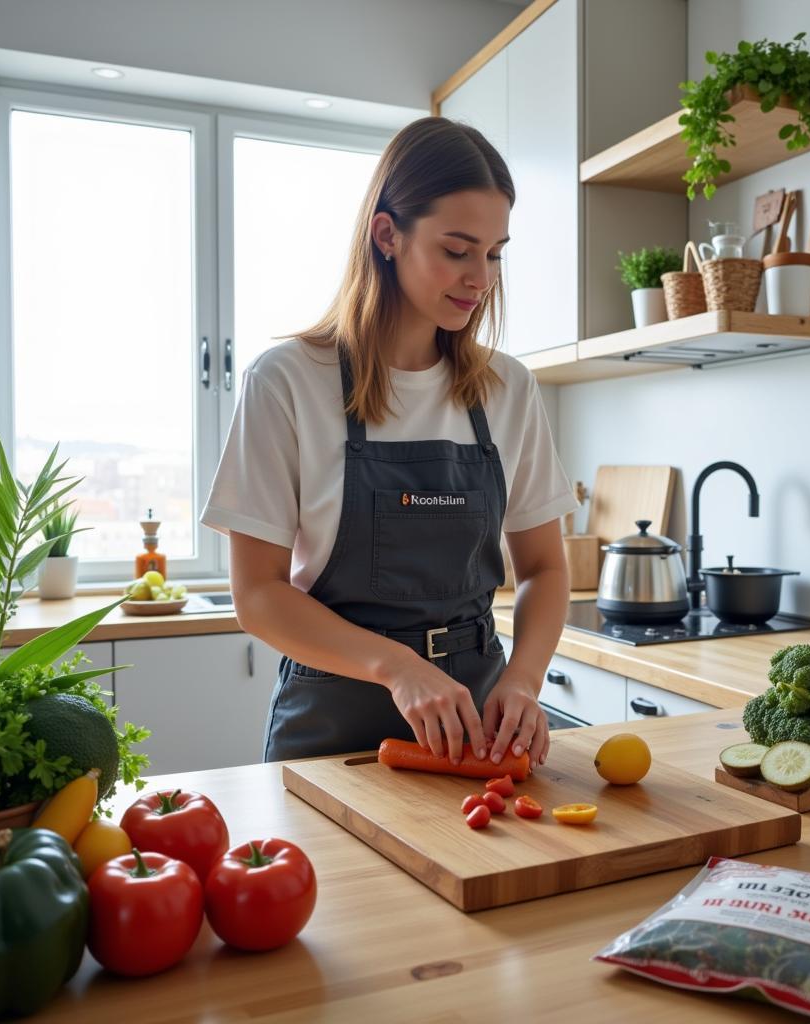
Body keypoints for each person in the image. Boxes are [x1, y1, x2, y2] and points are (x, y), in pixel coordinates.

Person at [201, 117, 578, 770]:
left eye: (494, 253)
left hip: (475, 730)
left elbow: (545, 568)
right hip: (328, 727)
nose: (480, 278)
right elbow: (258, 593)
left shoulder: (508, 389)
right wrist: (398, 667)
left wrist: (523, 679)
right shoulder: (288, 380)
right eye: (457, 250)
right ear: (387, 235)